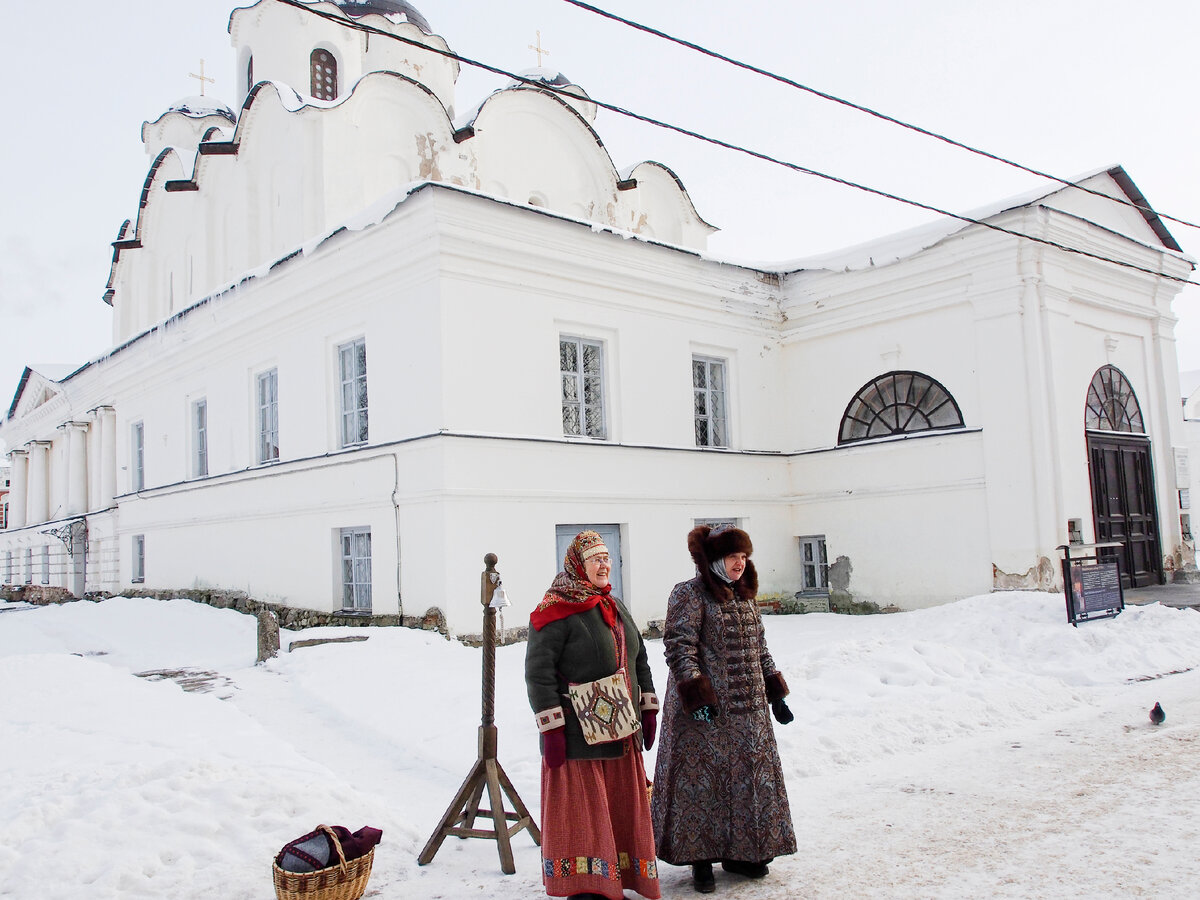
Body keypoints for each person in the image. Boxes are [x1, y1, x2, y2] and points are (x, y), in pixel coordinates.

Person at [650, 524, 797, 894]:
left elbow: (759, 647)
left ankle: (743, 853)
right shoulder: (690, 593)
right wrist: (697, 697)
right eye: (733, 557)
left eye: (744, 557)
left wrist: (775, 691)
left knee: (747, 783)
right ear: (715, 559)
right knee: (701, 787)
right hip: (706, 713)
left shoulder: (745, 595)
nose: (740, 564)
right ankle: (700, 862)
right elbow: (679, 646)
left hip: (748, 713)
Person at [525, 530, 661, 900]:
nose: (604, 565)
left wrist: (647, 708)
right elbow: (538, 673)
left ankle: (621, 875)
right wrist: (552, 729)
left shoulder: (614, 606)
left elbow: (640, 659)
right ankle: (585, 884)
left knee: (618, 807)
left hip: (621, 731)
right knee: (584, 813)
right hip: (577, 738)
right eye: (595, 560)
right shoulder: (554, 609)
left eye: (606, 558)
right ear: (576, 565)